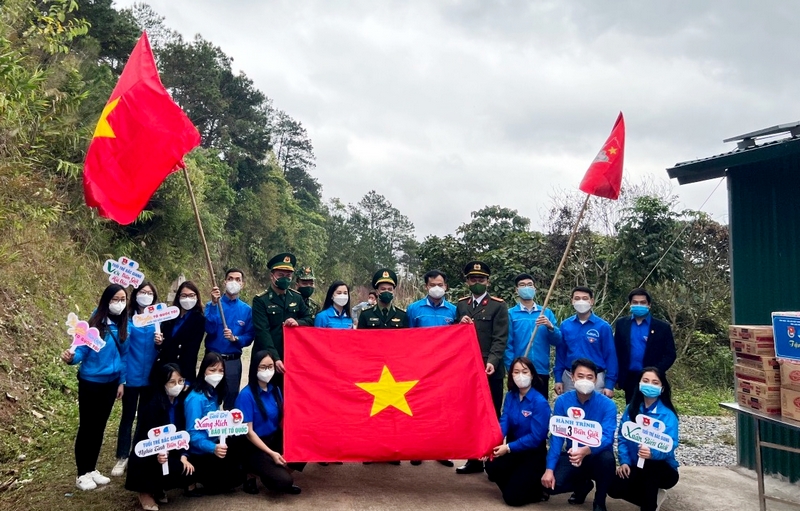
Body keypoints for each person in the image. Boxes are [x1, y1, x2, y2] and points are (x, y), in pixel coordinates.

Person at [60, 284, 128, 491]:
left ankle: (91, 469)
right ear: (106, 300)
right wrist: (71, 358)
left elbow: (124, 355)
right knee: (87, 427)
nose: (119, 303)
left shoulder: (124, 324)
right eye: (115, 299)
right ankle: (82, 473)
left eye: (123, 299)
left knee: (99, 427)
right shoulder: (95, 323)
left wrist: (121, 381)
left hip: (111, 383)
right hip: (91, 383)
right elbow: (81, 351)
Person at [541, 358, 618, 511]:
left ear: (596, 379)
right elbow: (557, 437)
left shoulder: (608, 405)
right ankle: (583, 486)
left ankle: (599, 501)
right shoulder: (563, 401)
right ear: (572, 377)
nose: (585, 380)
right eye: (580, 376)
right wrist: (549, 469)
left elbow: (608, 437)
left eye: (589, 377)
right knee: (552, 485)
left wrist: (587, 450)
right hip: (573, 453)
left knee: (607, 461)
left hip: (597, 454)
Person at [454, 260, 508, 475]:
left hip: (489, 369)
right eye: (473, 279)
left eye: (481, 279)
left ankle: (494, 461)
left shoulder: (498, 305)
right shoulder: (461, 305)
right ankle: (474, 459)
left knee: (491, 413)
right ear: (467, 281)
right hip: (467, 369)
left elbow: (500, 338)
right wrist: (458, 324)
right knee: (471, 413)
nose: (477, 282)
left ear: (488, 281)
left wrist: (492, 361)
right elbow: (453, 335)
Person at [125, 363, 195, 511]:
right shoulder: (152, 407)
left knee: (187, 468)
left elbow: (183, 433)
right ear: (163, 383)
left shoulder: (181, 403)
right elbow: (144, 440)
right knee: (161, 465)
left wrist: (184, 455)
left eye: (180, 381)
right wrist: (157, 453)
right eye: (172, 382)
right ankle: (145, 492)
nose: (178, 385)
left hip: (172, 450)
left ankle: (159, 487)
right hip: (148, 455)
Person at [405, 269, 457, 467]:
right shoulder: (414, 309)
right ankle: (417, 450)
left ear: (446, 287)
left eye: (440, 285)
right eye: (433, 285)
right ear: (426, 286)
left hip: (444, 368)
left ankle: (441, 450)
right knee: (418, 408)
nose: (437, 288)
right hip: (420, 368)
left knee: (442, 409)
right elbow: (407, 338)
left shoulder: (453, 311)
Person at [608, 367, 679, 511]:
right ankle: (651, 497)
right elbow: (622, 437)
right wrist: (624, 461)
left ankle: (649, 506)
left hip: (663, 470)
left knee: (651, 468)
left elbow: (671, 445)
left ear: (662, 388)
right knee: (613, 487)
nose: (650, 385)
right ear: (639, 384)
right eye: (645, 381)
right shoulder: (631, 409)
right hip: (636, 465)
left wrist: (653, 454)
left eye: (655, 382)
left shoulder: (668, 415)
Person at [234, 350, 304, 495]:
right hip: (254, 445)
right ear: (255, 368)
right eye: (263, 367)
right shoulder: (246, 395)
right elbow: (249, 432)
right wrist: (272, 454)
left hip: (273, 438)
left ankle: (273, 474)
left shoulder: (275, 390)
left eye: (270, 366)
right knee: (284, 482)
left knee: (304, 443)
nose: (267, 371)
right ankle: (251, 473)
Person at [484, 356, 550, 506]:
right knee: (491, 465)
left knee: (512, 499)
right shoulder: (510, 396)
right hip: (514, 450)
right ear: (511, 375)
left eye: (525, 372)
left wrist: (507, 447)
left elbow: (536, 437)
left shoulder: (540, 402)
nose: (521, 375)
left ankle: (536, 490)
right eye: (516, 372)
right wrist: (492, 443)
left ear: (532, 375)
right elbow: (504, 421)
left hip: (532, 453)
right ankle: (518, 484)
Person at [112, 281, 162, 478]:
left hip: (151, 378)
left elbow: (162, 350)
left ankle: (139, 453)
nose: (146, 295)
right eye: (142, 292)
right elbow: (122, 350)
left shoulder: (158, 318)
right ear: (135, 294)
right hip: (131, 377)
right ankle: (122, 456)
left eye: (150, 293)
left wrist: (160, 343)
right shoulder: (126, 317)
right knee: (127, 416)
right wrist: (122, 379)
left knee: (145, 417)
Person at [252, 253, 313, 392]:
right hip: (266, 357)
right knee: (263, 393)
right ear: (272, 276)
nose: (285, 278)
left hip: (291, 357)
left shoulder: (296, 297)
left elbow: (309, 319)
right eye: (280, 275)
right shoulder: (261, 300)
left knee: (289, 394)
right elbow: (262, 332)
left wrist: (298, 322)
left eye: (288, 275)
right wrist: (275, 358)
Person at [184, 352, 241, 494]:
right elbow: (192, 434)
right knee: (226, 482)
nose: (217, 374)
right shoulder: (195, 399)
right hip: (200, 452)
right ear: (204, 370)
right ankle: (194, 479)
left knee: (238, 475)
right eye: (212, 370)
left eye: (221, 370)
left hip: (215, 443)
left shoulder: (213, 392)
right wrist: (213, 448)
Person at [503, 273, 561, 398]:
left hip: (540, 369)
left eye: (529, 285)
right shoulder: (511, 314)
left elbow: (557, 341)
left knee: (540, 404)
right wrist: (512, 368)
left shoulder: (546, 313)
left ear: (535, 288)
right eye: (522, 285)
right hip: (520, 370)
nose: (526, 288)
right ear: (516, 290)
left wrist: (550, 327)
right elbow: (508, 344)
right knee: (519, 404)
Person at [614, 288, 677, 403]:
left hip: (653, 379)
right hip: (630, 378)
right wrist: (617, 377)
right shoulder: (622, 324)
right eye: (635, 302)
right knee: (632, 409)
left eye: (642, 302)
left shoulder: (662, 327)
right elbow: (616, 351)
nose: (639, 305)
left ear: (649, 305)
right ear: (630, 304)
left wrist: (656, 371)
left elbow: (670, 354)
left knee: (653, 409)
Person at [204, 268, 254, 408]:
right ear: (224, 282)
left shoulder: (246, 310)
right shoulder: (212, 305)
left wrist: (236, 338)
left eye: (238, 279)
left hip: (233, 361)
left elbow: (249, 336)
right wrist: (214, 304)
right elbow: (209, 329)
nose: (234, 282)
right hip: (213, 359)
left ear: (242, 284)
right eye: (230, 278)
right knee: (208, 397)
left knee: (231, 399)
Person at [556, 286, 617, 398]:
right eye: (577, 298)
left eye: (585, 298)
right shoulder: (565, 325)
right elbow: (560, 354)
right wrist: (558, 379)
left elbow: (610, 356)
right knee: (570, 407)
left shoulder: (603, 327)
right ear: (572, 301)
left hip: (595, 378)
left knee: (595, 407)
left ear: (591, 301)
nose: (581, 301)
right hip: (570, 378)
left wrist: (609, 384)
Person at [153, 281, 206, 386]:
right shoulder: (169, 316)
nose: (187, 299)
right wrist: (159, 342)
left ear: (197, 297)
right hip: (163, 368)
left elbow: (192, 350)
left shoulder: (199, 320)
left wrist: (186, 379)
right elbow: (162, 345)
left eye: (191, 295)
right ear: (178, 297)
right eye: (184, 295)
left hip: (183, 371)